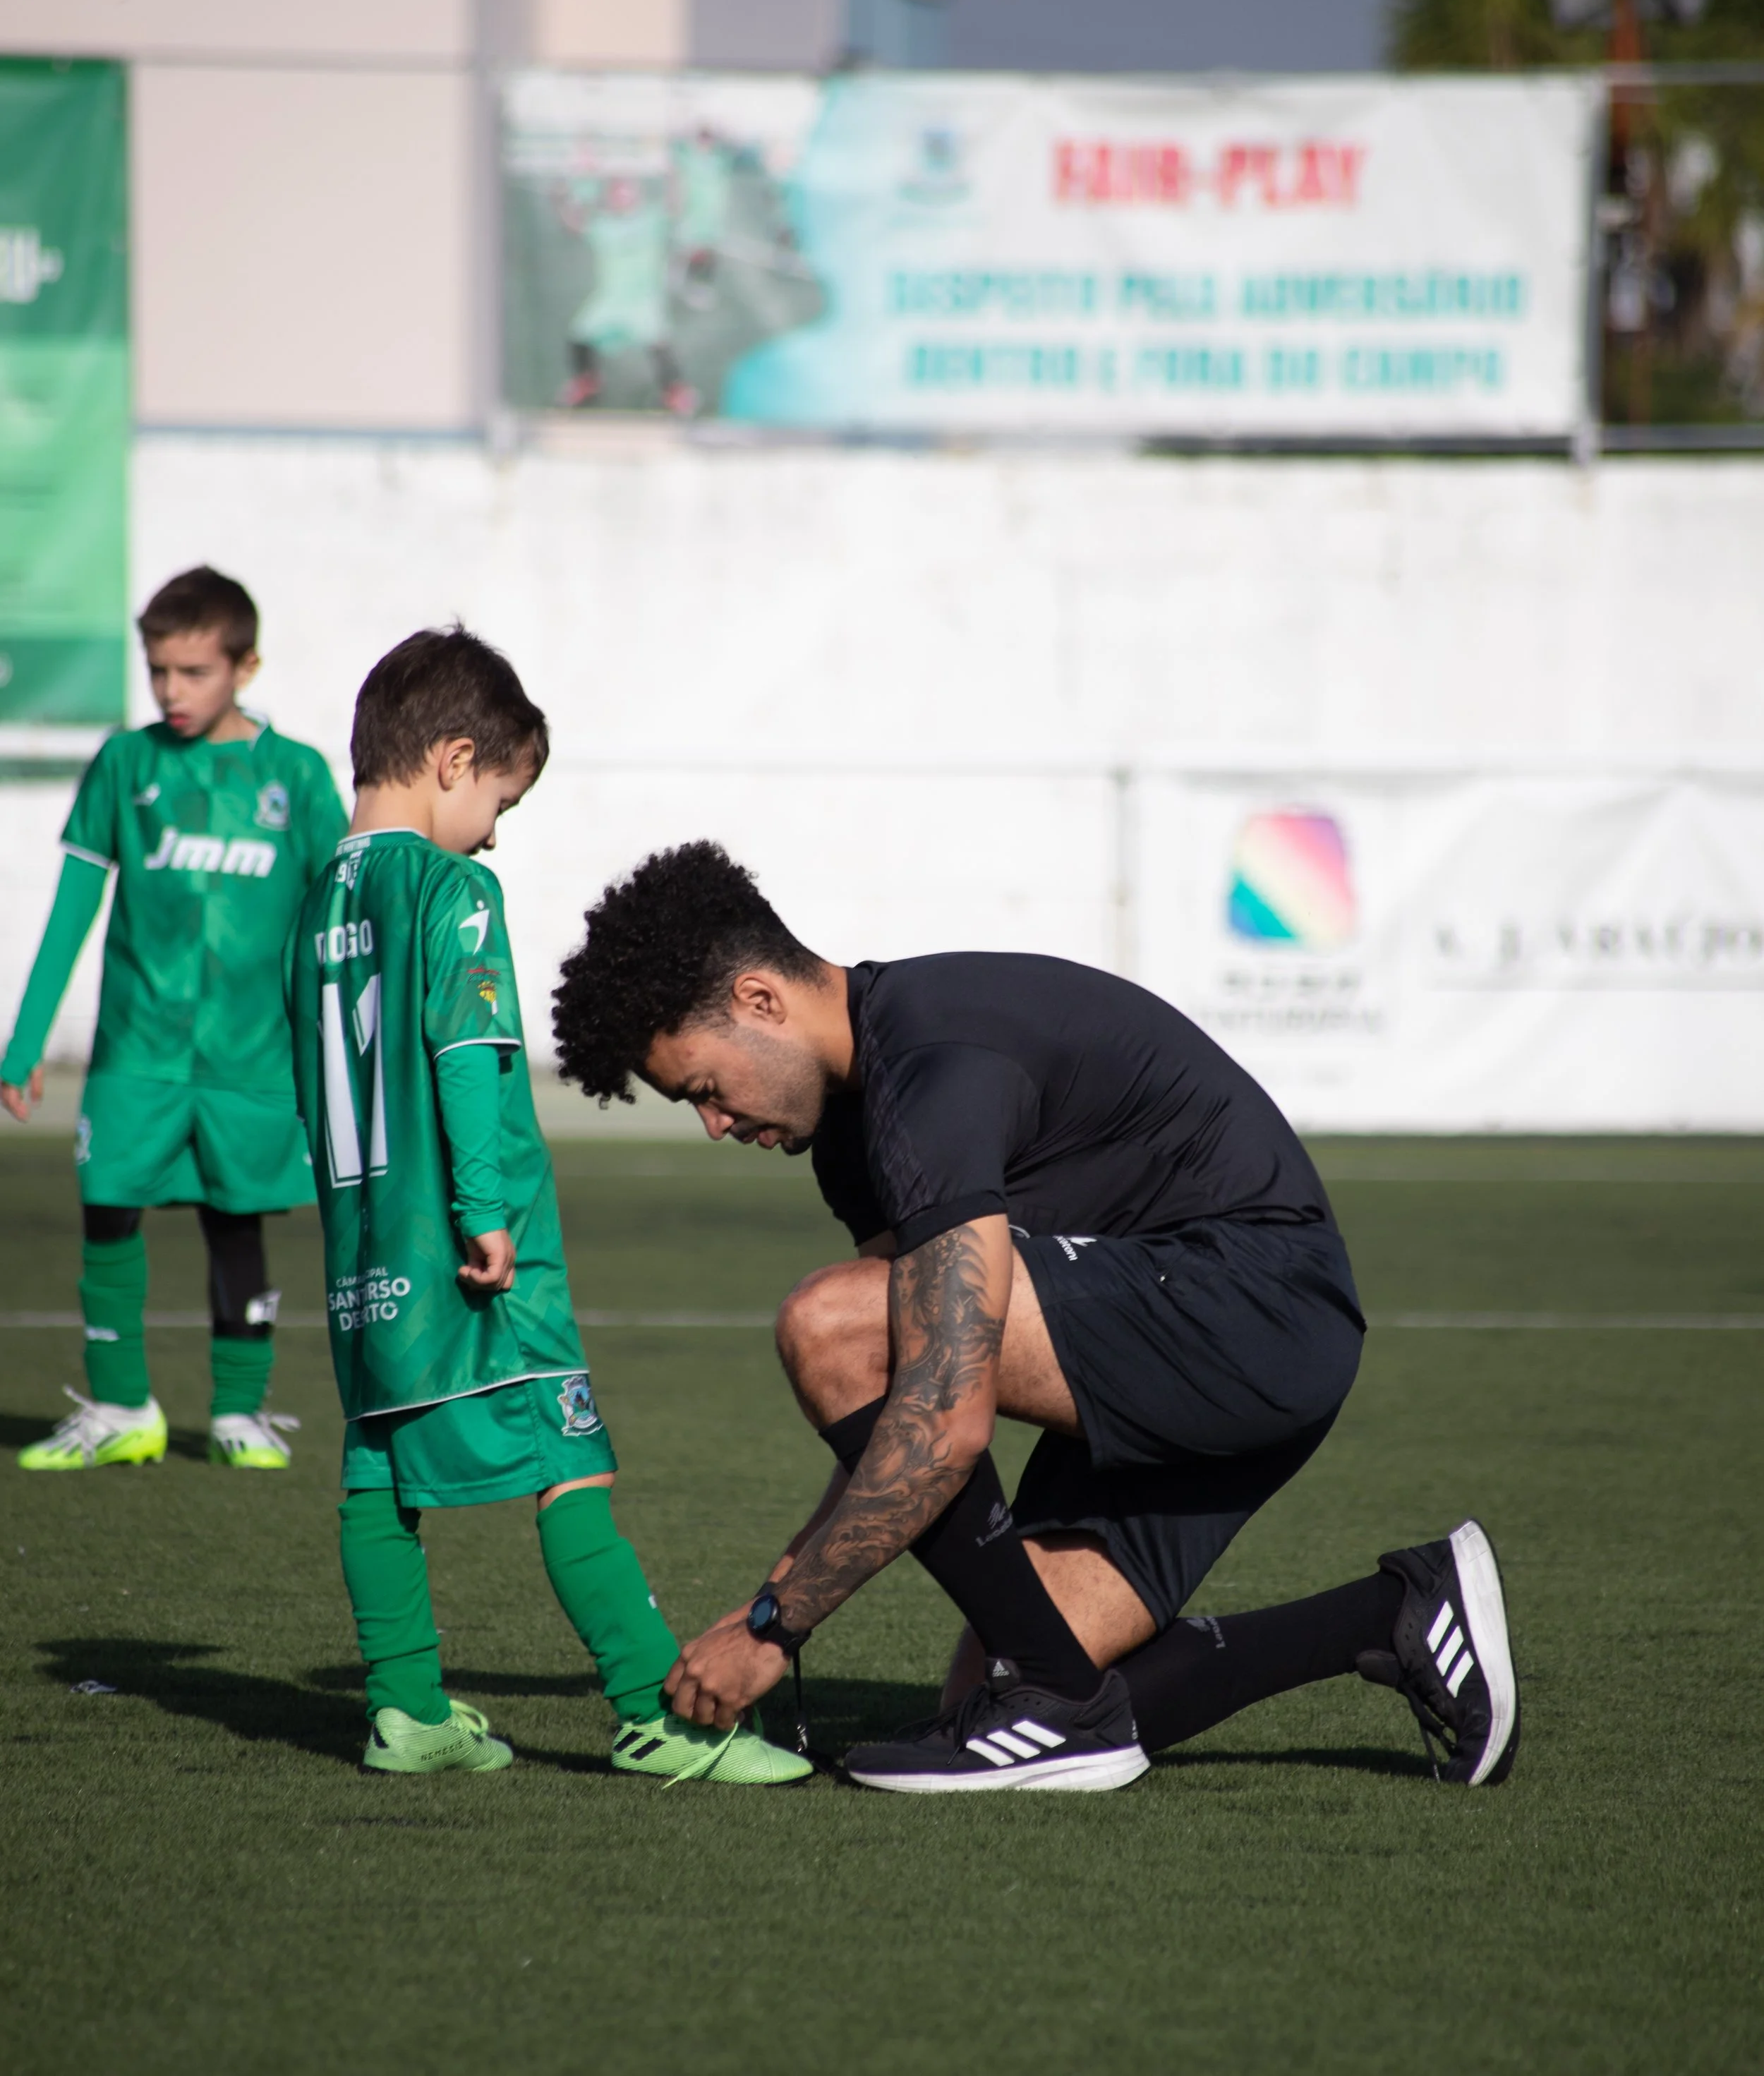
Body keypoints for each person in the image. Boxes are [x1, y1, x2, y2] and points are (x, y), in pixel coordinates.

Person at [550, 841, 1521, 1795]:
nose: (714, 1124)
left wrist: (776, 1626)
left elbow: (938, 1408)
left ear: (760, 999)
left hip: (1255, 1308)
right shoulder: (849, 1133)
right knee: (997, 1692)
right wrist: (769, 1600)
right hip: (1175, 1340)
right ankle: (1395, 1608)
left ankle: (1057, 1696)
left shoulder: (930, 1062)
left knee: (828, 1321)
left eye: (706, 1089)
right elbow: (896, 1404)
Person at [284, 630, 808, 1781]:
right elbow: (466, 1049)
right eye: (501, 802)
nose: (494, 832)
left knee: (377, 1466)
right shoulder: (453, 890)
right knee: (572, 1464)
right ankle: (659, 1717)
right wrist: (484, 1209)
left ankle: (406, 1711)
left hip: (365, 1248)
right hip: (472, 1248)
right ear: (454, 759)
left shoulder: (315, 903)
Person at [4, 566, 346, 1472]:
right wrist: (26, 1038)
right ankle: (123, 1409)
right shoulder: (126, 763)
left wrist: (347, 1049)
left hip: (254, 1060)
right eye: (158, 670)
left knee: (236, 1223)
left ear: (246, 666)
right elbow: (73, 907)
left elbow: (339, 927)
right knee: (107, 1213)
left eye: (194, 672)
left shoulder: (298, 776)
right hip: (136, 1053)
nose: (171, 691)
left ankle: (238, 1414)